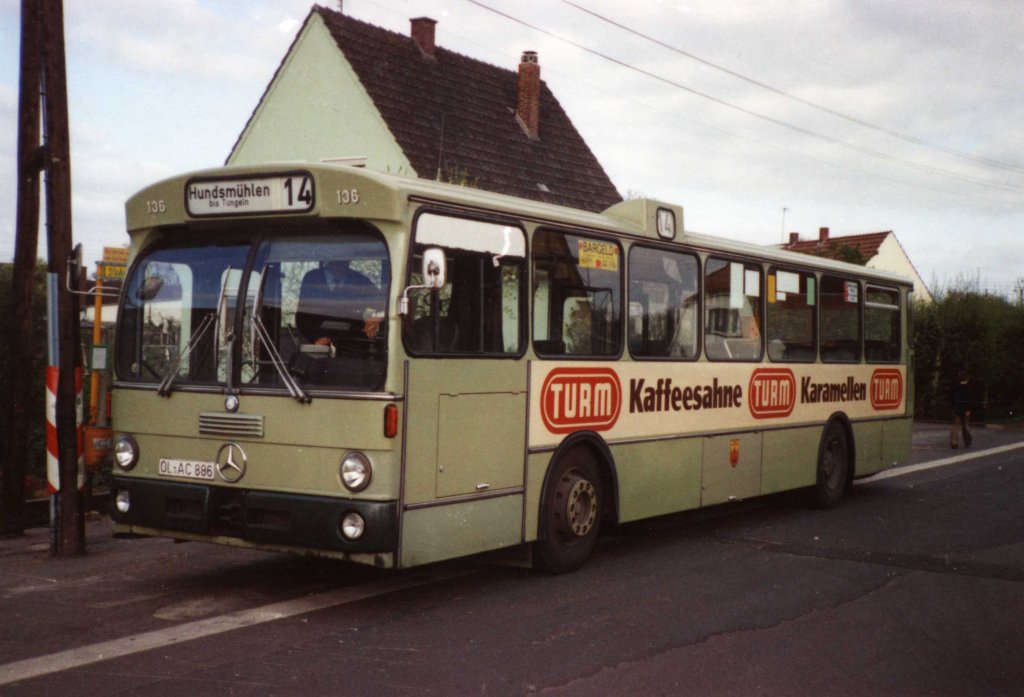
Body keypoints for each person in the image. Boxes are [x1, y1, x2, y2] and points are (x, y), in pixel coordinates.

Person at [295, 259, 384, 349]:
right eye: (337, 259)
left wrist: (376, 318)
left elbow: (384, 303)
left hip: (354, 348)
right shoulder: (312, 278)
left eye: (345, 259)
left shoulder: (358, 280)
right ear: (329, 258)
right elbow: (302, 317)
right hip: (321, 347)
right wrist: (315, 339)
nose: (341, 262)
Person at [950, 370, 973, 449]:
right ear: (967, 379)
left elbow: (951, 398)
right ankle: (967, 441)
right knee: (965, 425)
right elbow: (968, 400)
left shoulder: (955, 388)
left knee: (955, 425)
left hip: (956, 408)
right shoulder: (968, 389)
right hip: (965, 409)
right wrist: (968, 409)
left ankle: (954, 441)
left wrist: (953, 406)